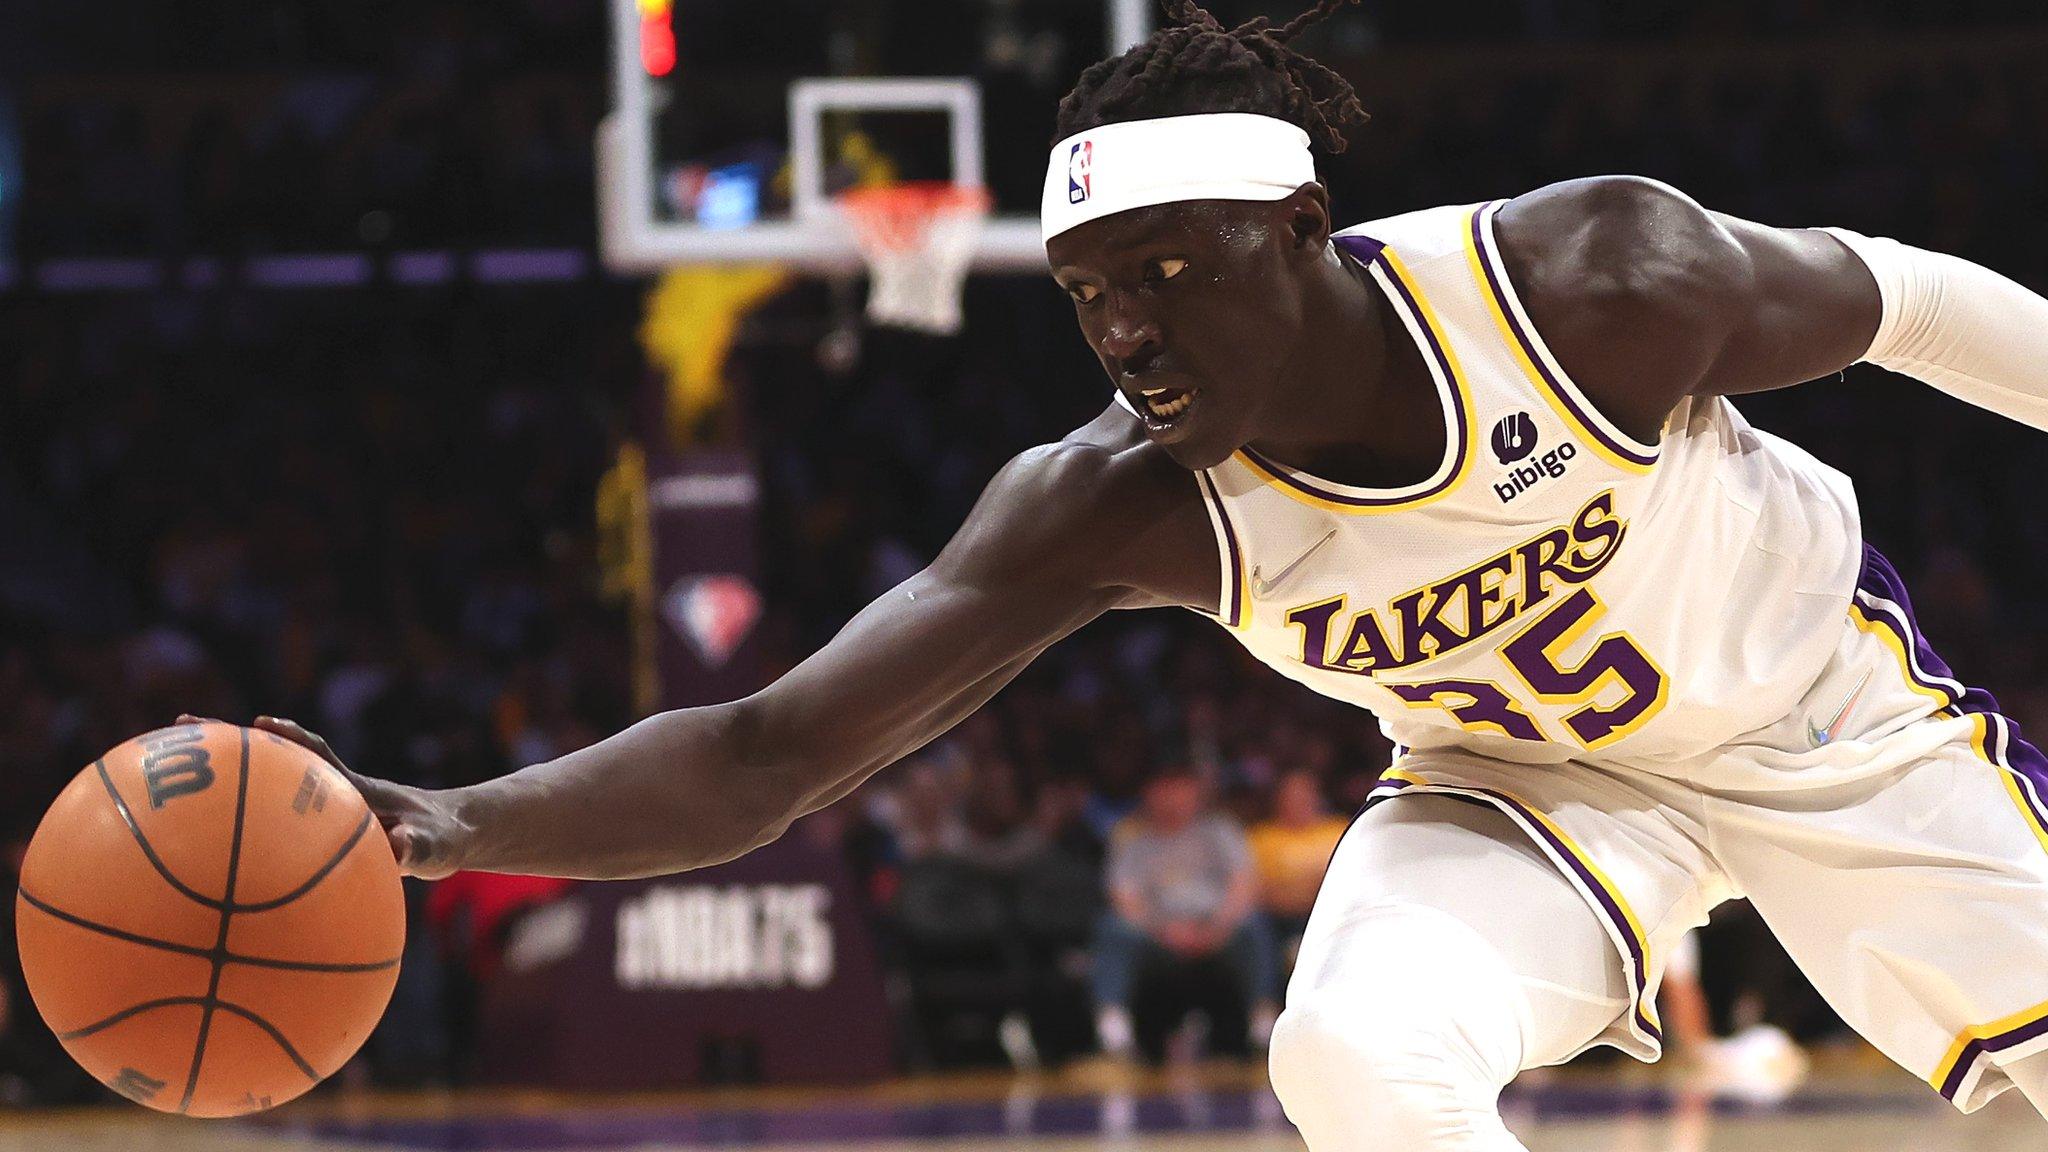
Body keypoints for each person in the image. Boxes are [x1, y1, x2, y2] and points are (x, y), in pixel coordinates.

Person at [226, 0, 2048, 1144]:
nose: (1122, 332)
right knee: (1350, 1060)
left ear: (1298, 233)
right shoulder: (1110, 503)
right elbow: (762, 756)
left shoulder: (1588, 281)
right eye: (1089, 294)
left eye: (1166, 272)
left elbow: (1913, 303)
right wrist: (448, 822)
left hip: (1821, 713)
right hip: (1520, 789)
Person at [1092, 766, 1274, 1059]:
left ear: (1195, 791)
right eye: (1163, 788)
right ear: (1148, 793)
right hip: (1158, 935)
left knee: (1253, 924)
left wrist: (1216, 928)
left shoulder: (1220, 831)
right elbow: (1123, 897)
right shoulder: (1134, 840)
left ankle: (1263, 1021)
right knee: (1115, 929)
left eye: (1179, 787)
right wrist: (1164, 930)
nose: (1171, 797)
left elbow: (1243, 884)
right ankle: (1113, 1026)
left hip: (1217, 931)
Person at [1246, 769, 1348, 988]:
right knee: (1254, 925)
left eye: (1304, 794)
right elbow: (1258, 888)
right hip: (1278, 918)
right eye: (1291, 795)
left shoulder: (1338, 829)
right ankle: (1263, 1006)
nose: (1298, 801)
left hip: (1331, 913)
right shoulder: (1262, 837)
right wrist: (1306, 892)